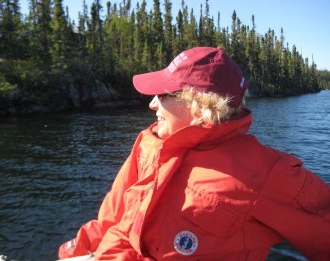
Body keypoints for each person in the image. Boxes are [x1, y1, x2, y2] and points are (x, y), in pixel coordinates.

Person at [58, 47, 330, 260]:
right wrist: (72, 253)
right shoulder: (148, 143)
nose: (152, 104)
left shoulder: (267, 175)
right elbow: (111, 219)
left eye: (163, 94)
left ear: (200, 106)